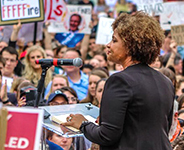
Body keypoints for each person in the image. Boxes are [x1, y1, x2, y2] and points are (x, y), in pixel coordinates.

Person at [62, 12, 174, 150]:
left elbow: (107, 135)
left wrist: (83, 124)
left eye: (114, 40)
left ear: (131, 45)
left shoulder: (119, 80)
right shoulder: (166, 82)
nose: (108, 45)